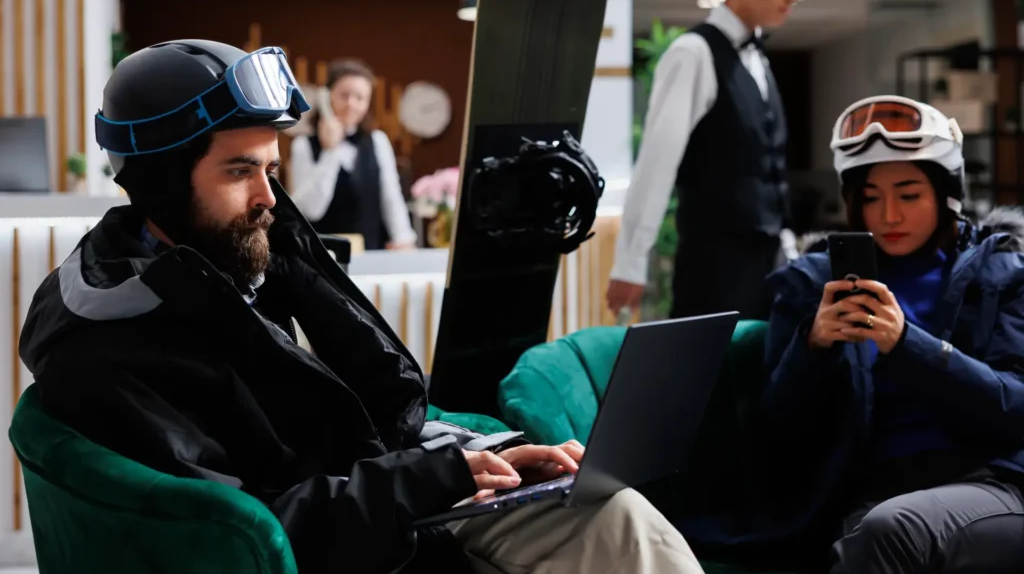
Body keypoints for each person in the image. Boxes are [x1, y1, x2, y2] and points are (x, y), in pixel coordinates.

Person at [18, 39, 704, 574]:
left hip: (390, 505)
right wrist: (435, 476)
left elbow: (372, 416)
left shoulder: (221, 263)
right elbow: (255, 524)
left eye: (270, 169)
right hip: (369, 534)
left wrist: (484, 454)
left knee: (609, 508)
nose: (268, 197)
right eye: (239, 170)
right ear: (163, 184)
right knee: (619, 530)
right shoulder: (111, 339)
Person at [760, 95, 1024, 572]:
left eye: (908, 194)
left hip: (992, 482)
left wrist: (908, 345)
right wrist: (812, 348)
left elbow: (1014, 409)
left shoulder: (1002, 271)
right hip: (874, 492)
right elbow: (780, 433)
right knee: (866, 536)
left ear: (946, 194)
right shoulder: (812, 286)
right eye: (870, 197)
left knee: (889, 530)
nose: (889, 216)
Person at [607, 0, 806, 321]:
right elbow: (656, 165)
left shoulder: (759, 59)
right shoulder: (693, 53)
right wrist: (630, 264)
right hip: (714, 271)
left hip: (767, 269)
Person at [289, 58, 417, 250]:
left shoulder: (378, 141)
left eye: (359, 98)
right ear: (327, 96)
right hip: (323, 255)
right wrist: (330, 152)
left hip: (370, 253)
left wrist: (403, 239)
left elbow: (391, 199)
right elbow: (311, 210)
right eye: (344, 95)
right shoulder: (303, 145)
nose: (351, 104)